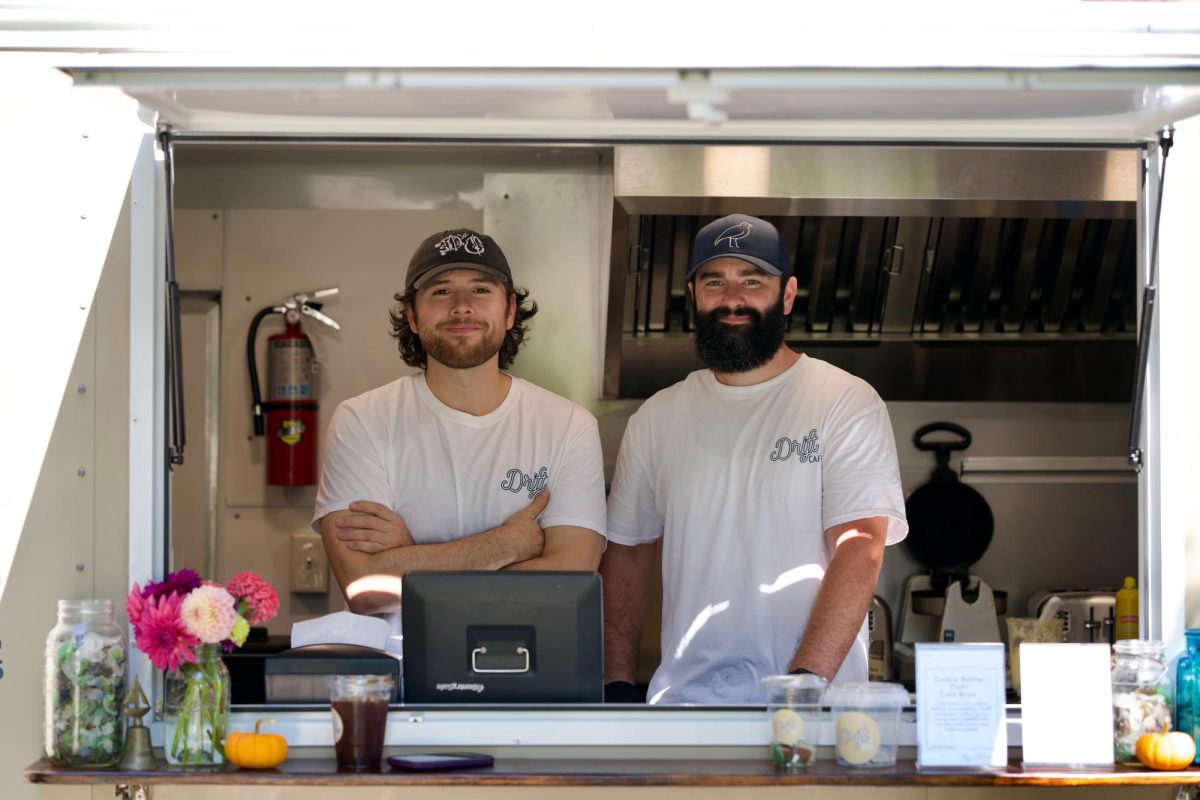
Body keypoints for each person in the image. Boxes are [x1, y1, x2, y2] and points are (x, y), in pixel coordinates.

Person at [600, 214, 907, 705]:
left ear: (786, 294)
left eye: (752, 281)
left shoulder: (843, 401)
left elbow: (861, 546)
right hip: (685, 707)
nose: (732, 299)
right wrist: (615, 684)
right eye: (714, 281)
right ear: (693, 294)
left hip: (814, 710)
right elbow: (627, 554)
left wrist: (804, 685)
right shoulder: (657, 417)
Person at [312, 228, 607, 630]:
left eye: (481, 290)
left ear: (509, 311)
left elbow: (568, 582)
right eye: (440, 291)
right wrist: (507, 545)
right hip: (402, 681)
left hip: (526, 677)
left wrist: (409, 558)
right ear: (412, 316)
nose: (462, 307)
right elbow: (364, 589)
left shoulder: (568, 426)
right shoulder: (363, 421)